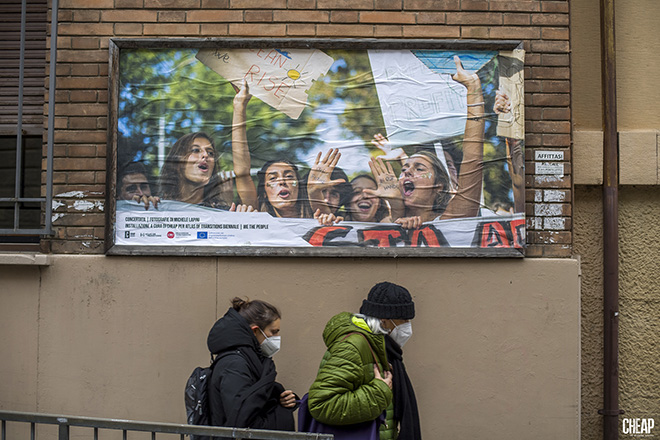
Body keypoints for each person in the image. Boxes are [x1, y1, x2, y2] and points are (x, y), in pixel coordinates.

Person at [368, 55, 486, 229]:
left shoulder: (454, 220)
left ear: (439, 186)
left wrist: (473, 88)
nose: (407, 172)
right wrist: (397, 209)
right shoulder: (385, 223)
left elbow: (473, 159)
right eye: (404, 168)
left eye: (419, 168)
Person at [307, 282, 421, 440]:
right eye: (404, 320)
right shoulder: (353, 347)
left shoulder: (383, 349)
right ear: (385, 320)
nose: (408, 326)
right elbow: (321, 404)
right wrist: (378, 392)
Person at [206, 297, 297, 431]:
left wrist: (280, 398)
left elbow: (253, 401)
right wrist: (280, 413)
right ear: (255, 331)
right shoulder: (234, 364)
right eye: (273, 332)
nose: (277, 338)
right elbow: (242, 419)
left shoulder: (247, 360)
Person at [158, 132, 232, 209]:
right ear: (178, 162)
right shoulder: (158, 208)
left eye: (210, 153)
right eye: (196, 150)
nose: (206, 155)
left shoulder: (219, 210)